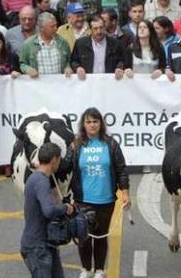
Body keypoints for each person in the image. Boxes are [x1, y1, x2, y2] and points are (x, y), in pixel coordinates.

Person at [67, 108, 130, 278]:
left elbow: (121, 169)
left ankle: (100, 270)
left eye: (95, 121)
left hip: (106, 200)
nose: (92, 125)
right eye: (88, 122)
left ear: (101, 123)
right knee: (84, 237)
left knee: (101, 236)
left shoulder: (110, 144)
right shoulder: (76, 145)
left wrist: (125, 192)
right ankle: (86, 270)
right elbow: (65, 169)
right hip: (82, 200)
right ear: (83, 125)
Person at [20, 141, 73, 278]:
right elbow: (48, 210)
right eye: (59, 160)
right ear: (54, 160)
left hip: (46, 243)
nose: (60, 163)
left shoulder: (36, 178)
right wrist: (65, 208)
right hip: (37, 248)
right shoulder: (41, 181)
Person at [19, 12, 72, 78]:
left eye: (56, 25)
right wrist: (28, 69)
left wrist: (68, 68)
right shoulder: (28, 44)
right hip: (38, 85)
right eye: (52, 26)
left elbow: (69, 61)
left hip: (59, 84)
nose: (56, 28)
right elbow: (22, 63)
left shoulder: (63, 42)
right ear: (42, 28)